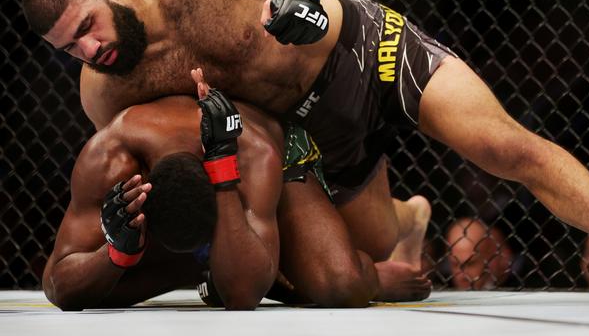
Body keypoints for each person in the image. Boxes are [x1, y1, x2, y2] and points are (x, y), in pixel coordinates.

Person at [22, 0, 589, 282]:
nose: (87, 50)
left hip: (365, 53)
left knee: (506, 149)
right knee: (376, 246)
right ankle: (411, 215)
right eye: (68, 49)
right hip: (309, 131)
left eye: (85, 28)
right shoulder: (104, 94)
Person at [42, 72, 430, 310]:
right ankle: (221, 268)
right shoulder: (111, 156)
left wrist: (224, 171)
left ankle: (404, 225)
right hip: (199, 219)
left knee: (341, 285)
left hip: (276, 161)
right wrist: (116, 253)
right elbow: (57, 284)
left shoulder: (252, 153)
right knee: (97, 289)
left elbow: (243, 296)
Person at [445, 218, 513, 290]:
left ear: (490, 258)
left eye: (471, 264)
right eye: (455, 264)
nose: (462, 275)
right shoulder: (442, 288)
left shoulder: (515, 292)